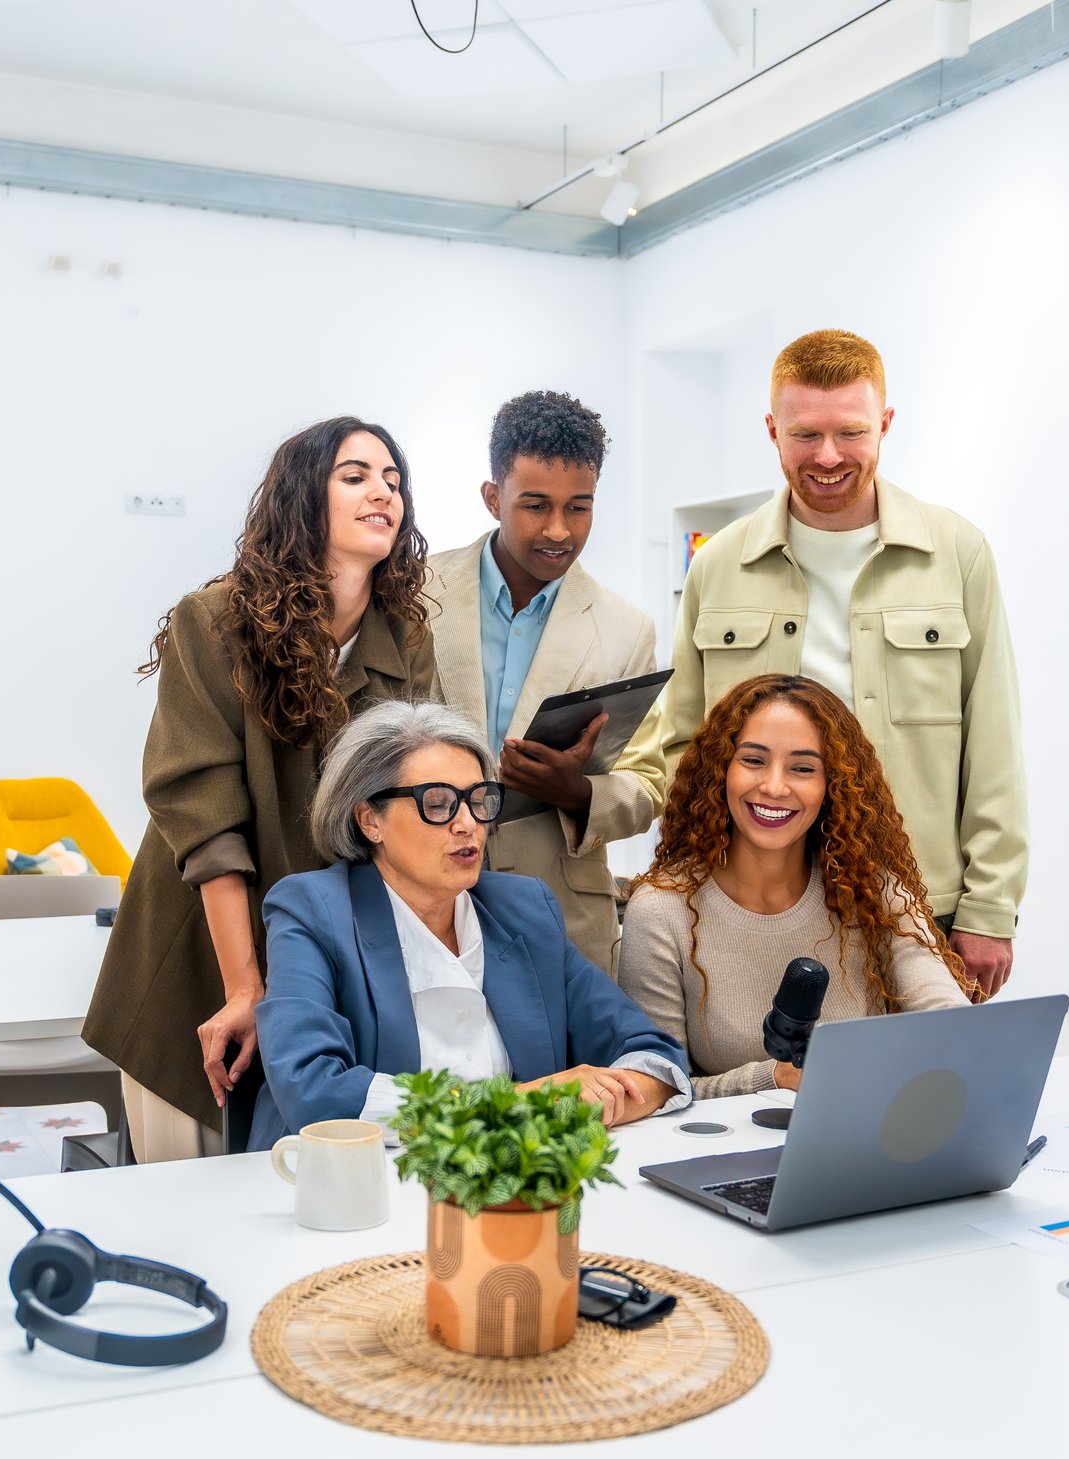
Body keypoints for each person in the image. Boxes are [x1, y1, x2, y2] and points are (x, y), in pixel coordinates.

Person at [578, 329, 1028, 997]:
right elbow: (686, 744)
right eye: (804, 435)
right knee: (769, 1090)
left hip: (922, 902)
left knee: (918, 1098)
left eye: (851, 432)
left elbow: (993, 743)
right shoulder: (719, 563)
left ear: (886, 424)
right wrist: (687, 884)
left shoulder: (957, 553)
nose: (827, 457)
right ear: (772, 430)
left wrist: (990, 909)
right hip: (756, 905)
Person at [84, 417, 438, 1159]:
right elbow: (207, 818)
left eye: (394, 481)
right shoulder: (211, 622)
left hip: (322, 954)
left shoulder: (403, 638)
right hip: (203, 951)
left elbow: (415, 794)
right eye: (356, 476)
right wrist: (246, 988)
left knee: (309, 1194)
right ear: (304, 498)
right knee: (187, 1194)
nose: (384, 493)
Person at [249, 700, 689, 1150]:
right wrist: (520, 1105)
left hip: (508, 1183)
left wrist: (612, 1097)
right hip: (351, 1193)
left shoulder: (523, 908)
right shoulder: (312, 910)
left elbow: (655, 1056)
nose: (468, 825)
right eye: (438, 803)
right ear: (369, 820)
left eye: (479, 801)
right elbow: (313, 1091)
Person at [617, 673, 974, 1099]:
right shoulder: (661, 911)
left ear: (833, 785)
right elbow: (661, 1088)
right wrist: (775, 1078)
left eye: (803, 768)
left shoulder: (875, 893)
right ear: (719, 770)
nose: (773, 786)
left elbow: (950, 1022)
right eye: (753, 760)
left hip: (859, 1136)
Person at [426, 390, 656, 973]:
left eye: (579, 507)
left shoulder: (626, 629)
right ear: (492, 497)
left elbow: (650, 784)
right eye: (535, 505)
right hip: (420, 904)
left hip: (561, 921)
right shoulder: (413, 594)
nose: (559, 530)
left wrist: (577, 793)